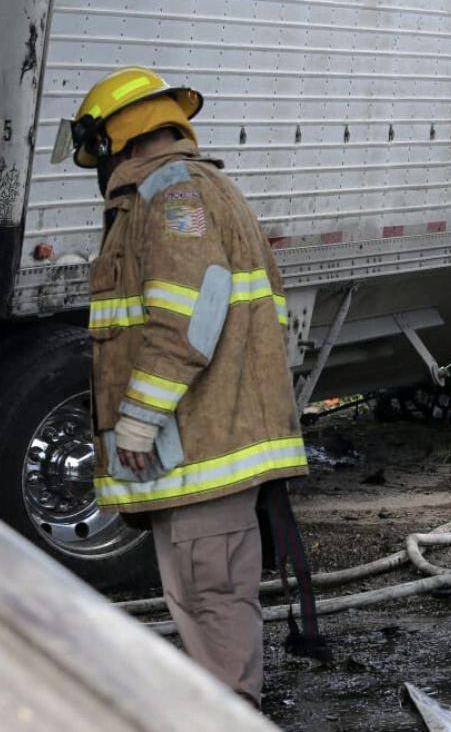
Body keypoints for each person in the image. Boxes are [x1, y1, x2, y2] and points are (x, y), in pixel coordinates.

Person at [58, 67, 311, 706]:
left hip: (205, 448)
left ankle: (232, 717)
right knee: (202, 601)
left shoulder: (173, 196)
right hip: (200, 444)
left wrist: (140, 418)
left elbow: (195, 309)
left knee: (211, 599)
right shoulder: (177, 194)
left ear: (118, 139)